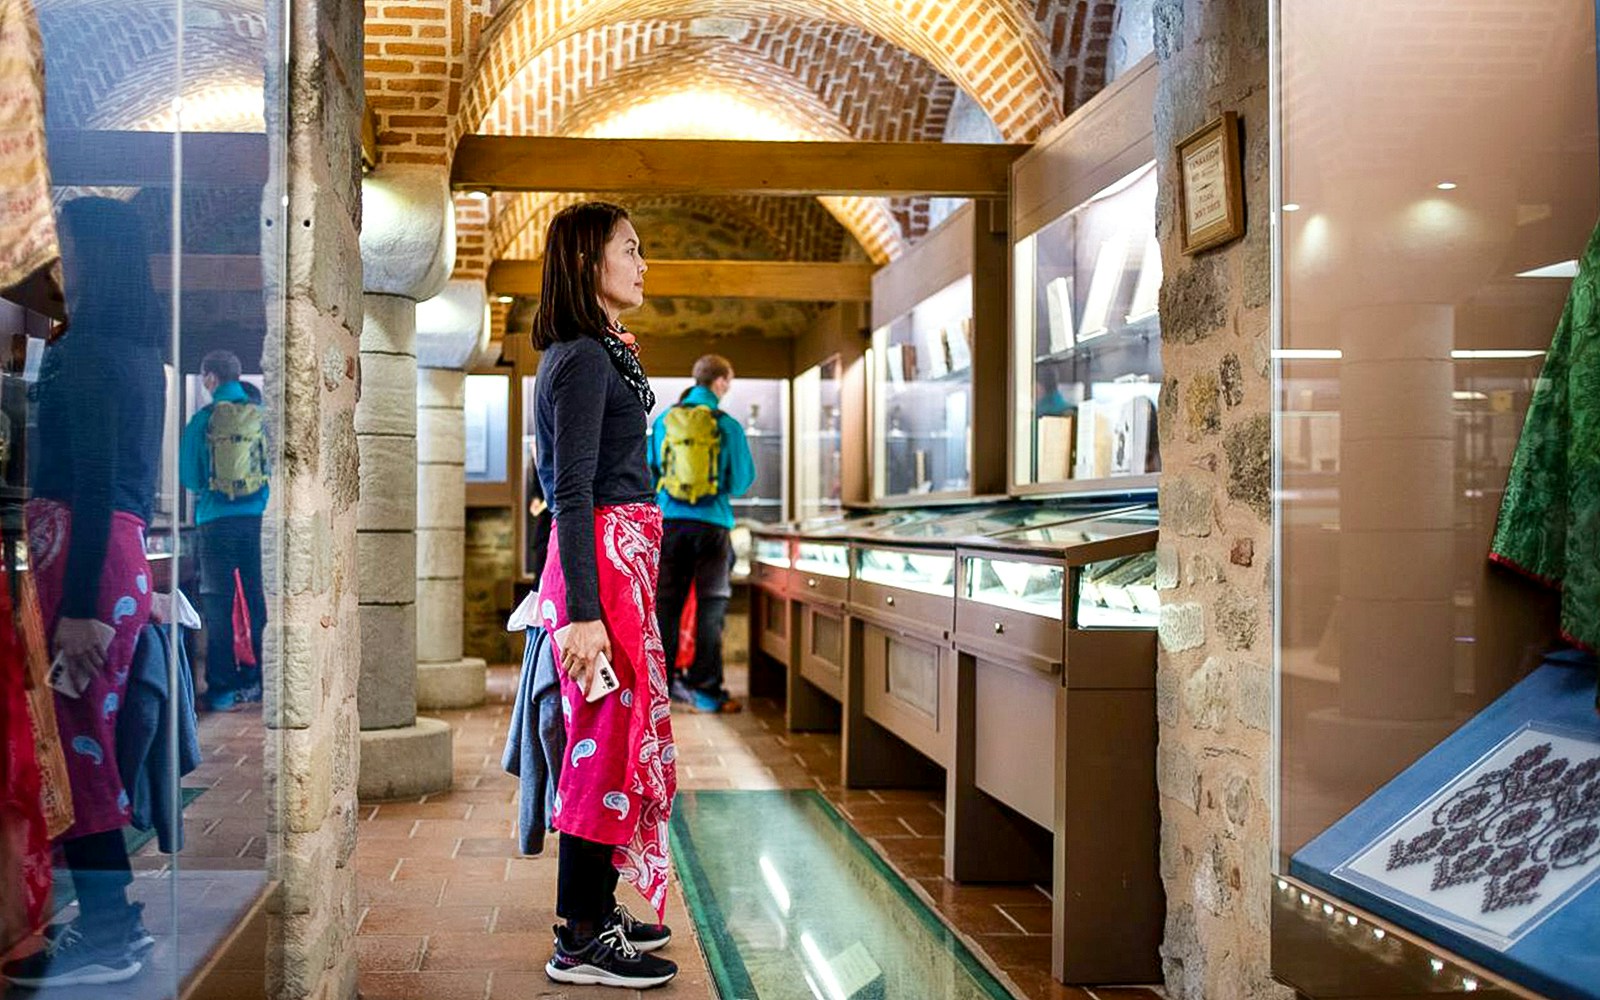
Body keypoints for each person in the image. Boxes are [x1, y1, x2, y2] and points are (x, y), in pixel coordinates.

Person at [3, 196, 166, 988]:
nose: (54, 263)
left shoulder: (91, 352)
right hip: (106, 559)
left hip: (84, 563)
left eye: (64, 248)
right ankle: (106, 922)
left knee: (73, 750)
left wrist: (74, 611)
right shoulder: (132, 351)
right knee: (76, 744)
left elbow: (96, 484)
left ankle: (110, 929)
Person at [529, 201, 678, 990]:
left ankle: (593, 906)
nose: (642, 261)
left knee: (609, 743)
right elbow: (572, 489)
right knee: (598, 748)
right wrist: (585, 612)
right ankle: (581, 938)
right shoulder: (584, 357)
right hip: (600, 572)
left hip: (617, 564)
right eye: (631, 247)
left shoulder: (596, 351)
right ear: (591, 264)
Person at [649, 354, 755, 714]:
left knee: (665, 606)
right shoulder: (727, 425)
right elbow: (741, 482)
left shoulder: (664, 421)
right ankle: (707, 692)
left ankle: (657, 692)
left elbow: (650, 474)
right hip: (713, 525)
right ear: (721, 382)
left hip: (669, 523)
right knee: (711, 608)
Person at [179, 349, 269, 712]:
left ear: (210, 378)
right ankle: (263, 683)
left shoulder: (202, 420)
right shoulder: (261, 418)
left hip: (214, 522)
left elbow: (190, 477)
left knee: (217, 605)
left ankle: (221, 690)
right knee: (258, 601)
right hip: (256, 520)